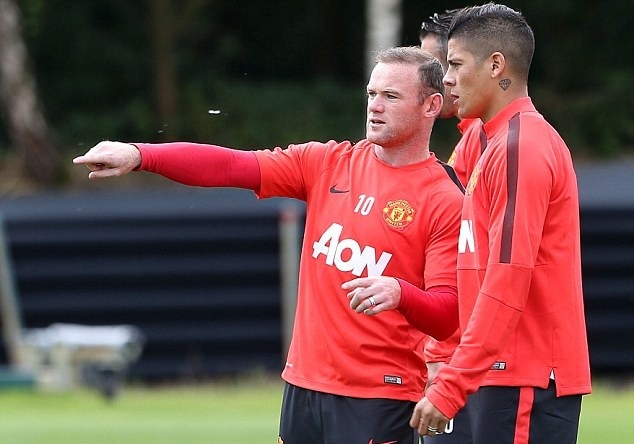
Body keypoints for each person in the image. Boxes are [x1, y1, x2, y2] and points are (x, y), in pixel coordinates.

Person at [74, 47, 464, 444]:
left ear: (431, 106)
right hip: (303, 386)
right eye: (371, 94)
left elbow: (449, 314)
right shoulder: (328, 162)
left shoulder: (444, 198)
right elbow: (232, 166)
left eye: (391, 96)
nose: (375, 106)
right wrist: (140, 154)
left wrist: (400, 292)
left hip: (378, 397)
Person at [409, 4, 592, 443]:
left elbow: (508, 277)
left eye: (455, 65)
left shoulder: (520, 145)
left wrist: (453, 380)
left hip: (523, 375)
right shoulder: (487, 140)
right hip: (495, 371)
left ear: (495, 66)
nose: (446, 79)